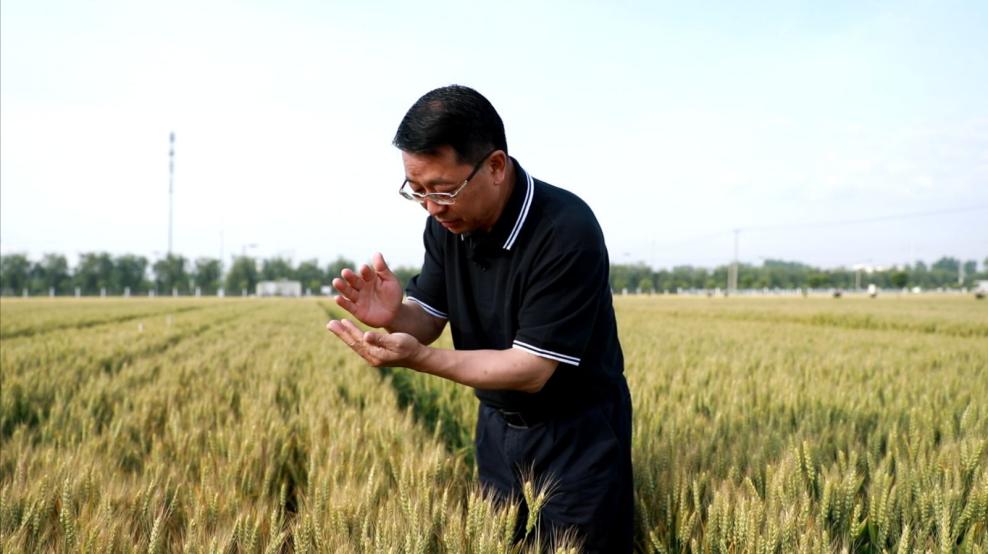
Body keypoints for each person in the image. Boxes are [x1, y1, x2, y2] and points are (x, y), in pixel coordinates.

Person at [326, 84, 633, 552]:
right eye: (417, 191)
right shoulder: (446, 224)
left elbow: (531, 369)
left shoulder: (565, 230)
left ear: (495, 166)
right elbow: (428, 319)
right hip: (495, 427)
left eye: (443, 189)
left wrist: (420, 359)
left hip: (576, 436)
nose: (432, 207)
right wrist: (394, 315)